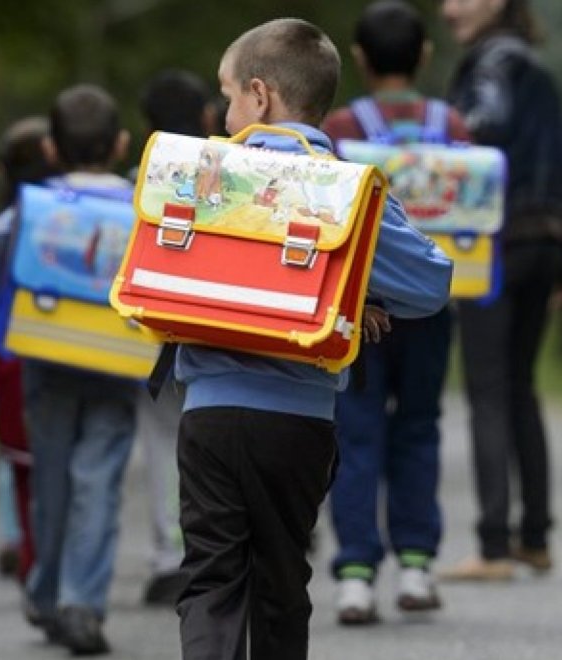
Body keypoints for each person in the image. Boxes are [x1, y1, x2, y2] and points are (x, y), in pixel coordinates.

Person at [174, 18, 453, 660]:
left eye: (228, 96)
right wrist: (355, 291)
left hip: (208, 411)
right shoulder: (346, 188)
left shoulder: (201, 175)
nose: (224, 115)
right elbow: (431, 283)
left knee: (211, 577)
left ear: (259, 95)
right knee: (280, 579)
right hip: (297, 421)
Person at [319, 0, 470, 625]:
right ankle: (416, 565)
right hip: (432, 308)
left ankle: (355, 575)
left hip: (360, 309)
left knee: (354, 432)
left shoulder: (340, 128)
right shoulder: (452, 125)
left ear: (358, 58)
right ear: (425, 55)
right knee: (419, 426)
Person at [438, 0, 562, 581]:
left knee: (488, 389)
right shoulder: (536, 64)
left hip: (498, 241)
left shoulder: (493, 63)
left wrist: (439, 136)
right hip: (549, 237)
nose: (448, 9)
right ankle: (535, 538)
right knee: (521, 385)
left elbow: (482, 126)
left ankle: (493, 547)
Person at [20, 84, 138, 656]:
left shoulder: (34, 207)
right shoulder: (142, 206)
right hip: (118, 361)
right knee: (99, 481)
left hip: (47, 357)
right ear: (121, 145)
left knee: (52, 481)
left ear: (49, 148)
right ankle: (82, 604)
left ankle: (47, 595)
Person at [130, 69, 217, 607]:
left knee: (163, 444)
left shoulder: (139, 181)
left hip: (156, 339)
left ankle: (171, 558)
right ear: (208, 117)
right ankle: (222, 550)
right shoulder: (233, 177)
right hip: (220, 333)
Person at [0, 116, 60, 583]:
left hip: (15, 366)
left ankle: (27, 553)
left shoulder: (0, 229)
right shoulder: (78, 218)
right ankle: (64, 565)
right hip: (73, 358)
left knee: (21, 469)